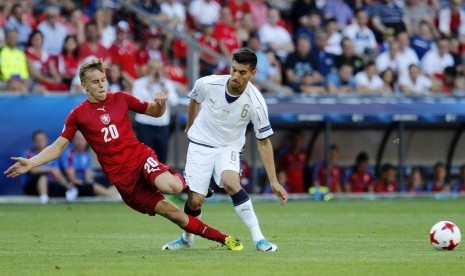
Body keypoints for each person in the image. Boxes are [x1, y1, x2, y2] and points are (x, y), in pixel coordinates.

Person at [4, 58, 243, 251]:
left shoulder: (120, 99)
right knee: (176, 216)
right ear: (84, 86)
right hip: (125, 182)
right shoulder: (78, 115)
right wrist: (31, 162)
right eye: (95, 82)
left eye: (103, 80)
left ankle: (193, 182)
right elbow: (57, 147)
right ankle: (225, 239)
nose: (101, 85)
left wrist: (160, 104)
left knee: (171, 187)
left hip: (140, 159)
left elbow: (154, 112)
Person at [162, 48, 288, 252]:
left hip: (228, 146)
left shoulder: (256, 103)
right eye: (234, 69)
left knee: (231, 182)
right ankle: (187, 239)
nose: (236, 76)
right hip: (201, 143)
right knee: (195, 200)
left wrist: (273, 181)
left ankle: (259, 239)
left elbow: (264, 141)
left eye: (242, 72)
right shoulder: (208, 83)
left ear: (252, 73)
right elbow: (195, 97)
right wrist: (189, 125)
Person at [132, 60, 179, 164]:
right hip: (145, 124)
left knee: (162, 158)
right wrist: (148, 85)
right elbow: (138, 101)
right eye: (154, 69)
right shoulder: (139, 83)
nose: (157, 72)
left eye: (159, 69)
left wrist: (166, 90)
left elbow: (174, 102)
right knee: (146, 158)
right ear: (149, 70)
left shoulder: (166, 83)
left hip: (162, 125)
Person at [60, 131, 119, 198]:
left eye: (82, 139)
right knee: (93, 187)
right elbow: (73, 179)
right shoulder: (69, 154)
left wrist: (90, 182)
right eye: (78, 139)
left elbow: (88, 175)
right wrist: (89, 184)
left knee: (111, 183)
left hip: (84, 182)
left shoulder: (86, 154)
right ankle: (111, 195)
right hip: (73, 185)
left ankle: (110, 194)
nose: (80, 142)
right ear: (73, 140)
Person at [21, 130, 74, 204]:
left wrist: (67, 185)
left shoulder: (52, 154)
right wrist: (49, 169)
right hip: (31, 185)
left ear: (46, 140)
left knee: (62, 189)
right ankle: (44, 199)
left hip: (49, 184)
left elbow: (57, 172)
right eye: (38, 140)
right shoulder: (28, 153)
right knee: (43, 177)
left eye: (42, 140)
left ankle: (70, 190)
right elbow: (31, 170)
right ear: (33, 141)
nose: (40, 142)